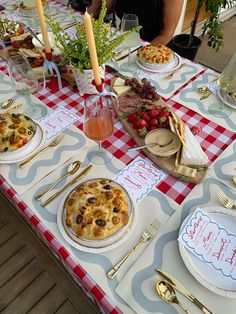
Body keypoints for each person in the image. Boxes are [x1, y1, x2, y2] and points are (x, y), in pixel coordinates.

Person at [87, 0, 184, 45]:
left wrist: (141, 54)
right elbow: (106, 8)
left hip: (152, 46)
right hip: (120, 41)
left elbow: (166, 35)